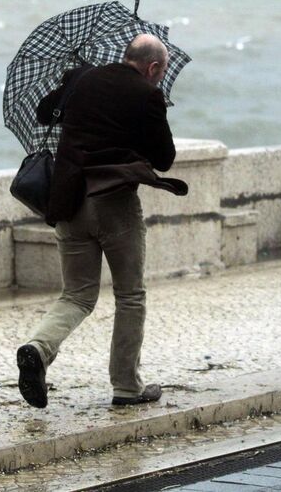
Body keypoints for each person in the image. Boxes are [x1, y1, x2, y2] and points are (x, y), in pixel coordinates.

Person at [16, 34, 187, 408]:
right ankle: (127, 387)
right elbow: (164, 158)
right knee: (130, 296)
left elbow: (45, 113)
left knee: (76, 295)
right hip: (113, 203)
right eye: (162, 71)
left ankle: (38, 348)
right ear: (153, 67)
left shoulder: (82, 78)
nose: (160, 78)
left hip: (69, 199)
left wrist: (71, 77)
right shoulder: (146, 95)